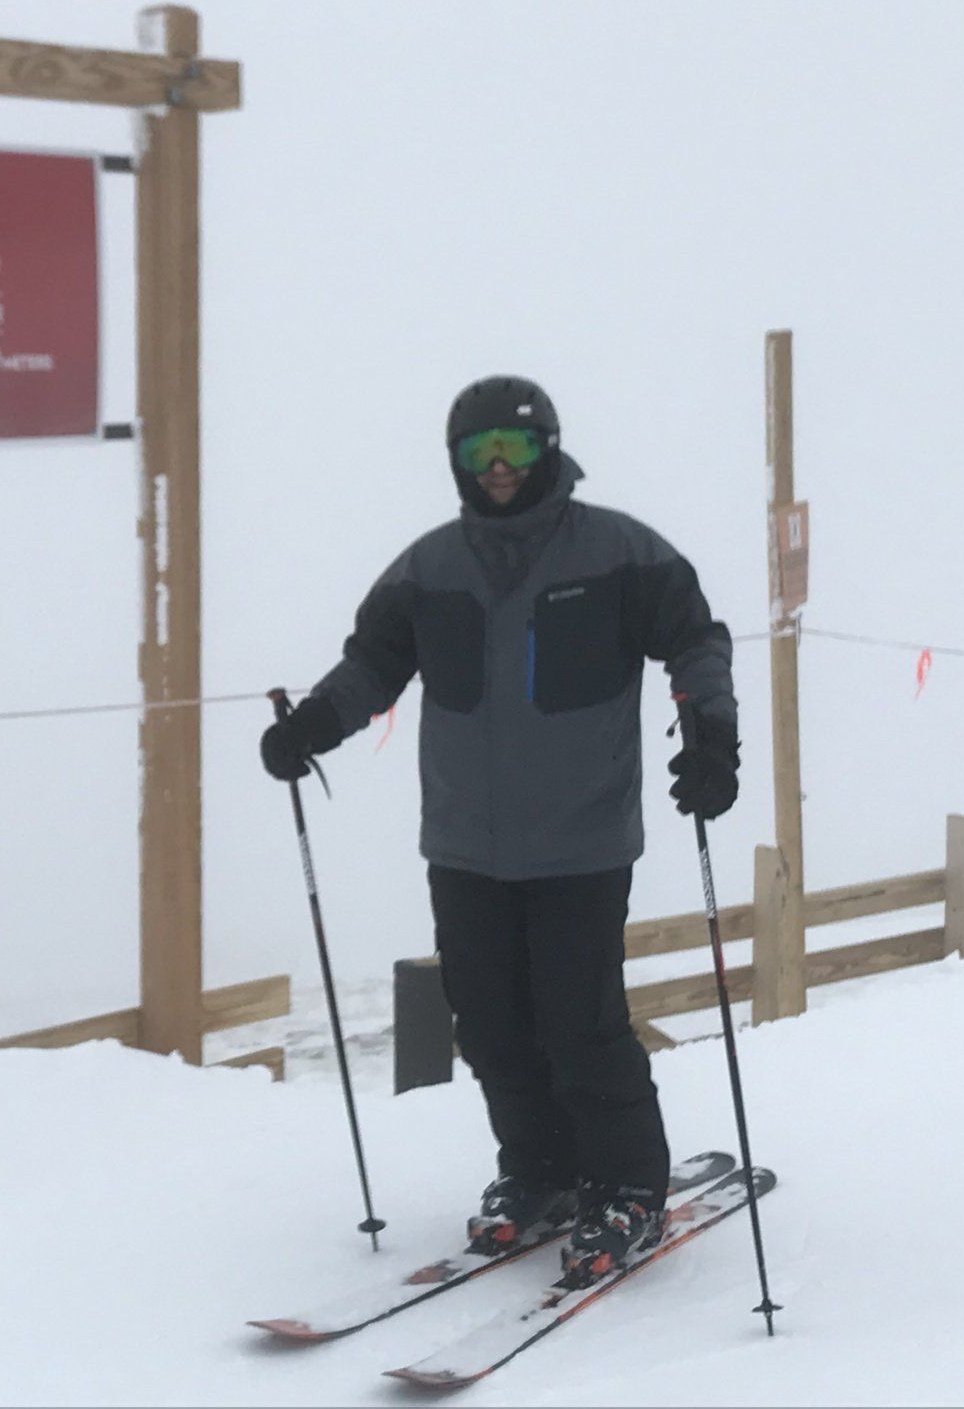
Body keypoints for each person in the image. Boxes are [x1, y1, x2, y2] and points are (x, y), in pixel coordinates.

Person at [259, 374, 739, 1279]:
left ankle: (629, 1184)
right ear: (457, 465)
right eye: (480, 454)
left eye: (515, 449)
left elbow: (695, 638)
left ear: (549, 448)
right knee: (485, 1023)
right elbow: (372, 665)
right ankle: (542, 1171)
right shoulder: (429, 569)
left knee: (580, 1022)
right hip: (466, 845)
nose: (501, 469)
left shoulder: (621, 553)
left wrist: (711, 733)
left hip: (583, 840)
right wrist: (313, 726)